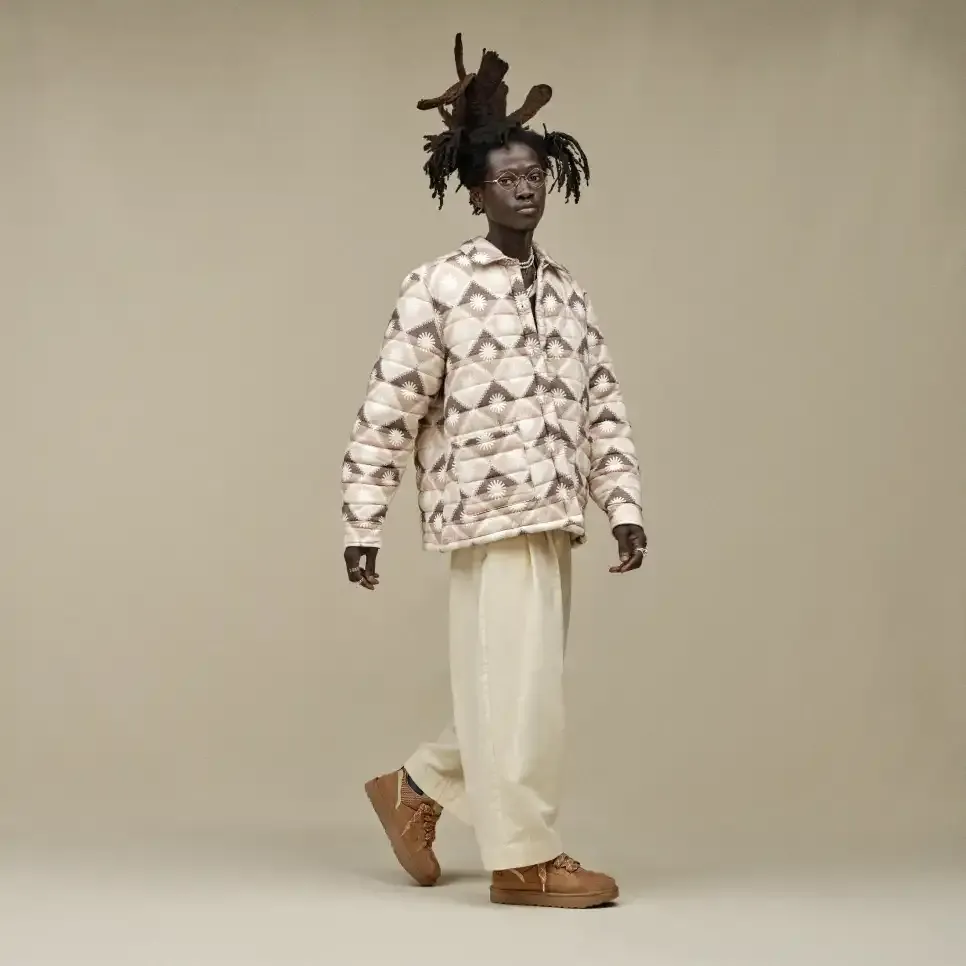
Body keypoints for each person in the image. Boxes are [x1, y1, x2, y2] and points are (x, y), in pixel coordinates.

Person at [341, 34, 647, 909]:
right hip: (484, 513)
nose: (525, 187)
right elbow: (390, 405)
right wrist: (363, 518)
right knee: (517, 693)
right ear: (474, 191)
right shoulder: (437, 286)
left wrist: (622, 502)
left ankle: (417, 786)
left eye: (536, 174)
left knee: (524, 688)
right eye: (507, 177)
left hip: (555, 512)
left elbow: (602, 404)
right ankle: (524, 859)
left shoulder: (569, 293)